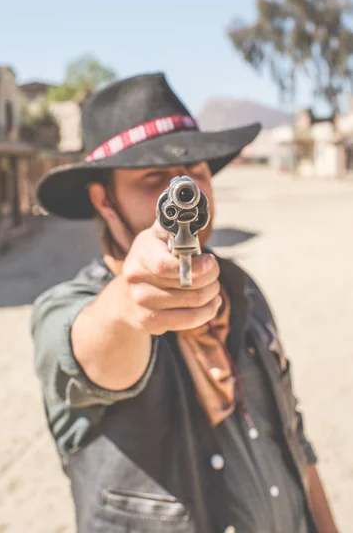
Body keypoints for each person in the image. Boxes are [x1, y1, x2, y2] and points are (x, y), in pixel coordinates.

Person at [32, 73, 338, 533]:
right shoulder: (75, 306)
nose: (184, 189)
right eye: (153, 178)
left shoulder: (241, 289)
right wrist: (130, 307)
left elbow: (294, 439)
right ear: (104, 199)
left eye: (196, 173)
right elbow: (90, 354)